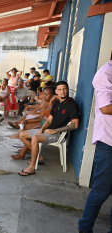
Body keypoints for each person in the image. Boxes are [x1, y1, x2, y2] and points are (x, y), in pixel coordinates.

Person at [17, 81, 79, 176]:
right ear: (56, 92)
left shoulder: (72, 104)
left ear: (67, 90)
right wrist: (41, 130)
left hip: (58, 135)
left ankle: (32, 167)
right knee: (21, 134)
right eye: (60, 89)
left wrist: (55, 130)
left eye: (65, 89)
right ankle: (38, 157)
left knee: (35, 138)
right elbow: (49, 120)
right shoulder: (57, 103)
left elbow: (75, 125)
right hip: (47, 131)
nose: (62, 91)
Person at [78, 59, 112, 233]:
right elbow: (106, 108)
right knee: (101, 191)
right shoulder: (106, 73)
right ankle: (85, 228)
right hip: (109, 142)